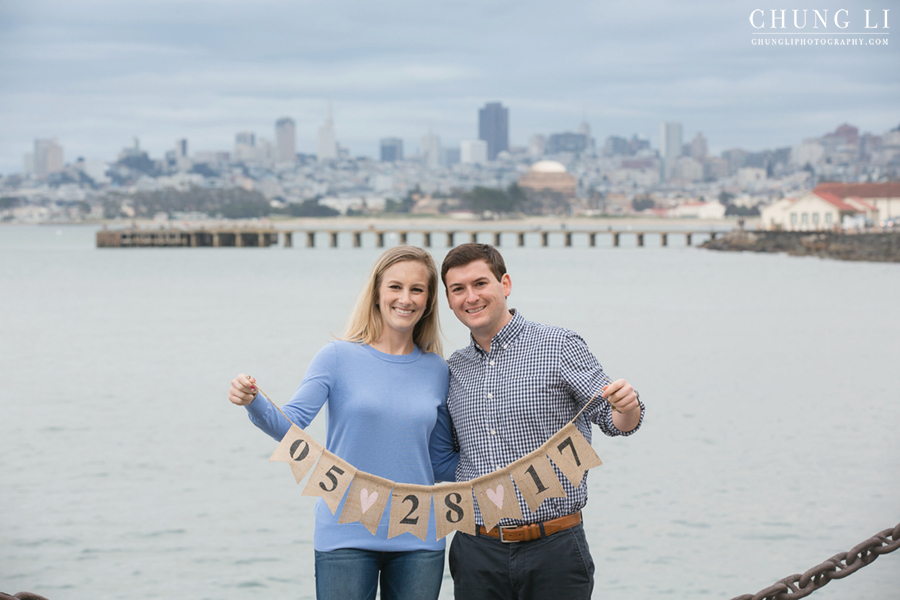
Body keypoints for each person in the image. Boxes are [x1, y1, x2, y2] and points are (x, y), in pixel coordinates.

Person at [228, 245, 458, 600]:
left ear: (428, 301)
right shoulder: (336, 356)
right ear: (377, 293)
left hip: (420, 536)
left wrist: (517, 461)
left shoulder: (438, 370)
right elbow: (293, 424)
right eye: (395, 287)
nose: (405, 298)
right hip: (344, 532)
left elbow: (440, 461)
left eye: (417, 289)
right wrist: (253, 400)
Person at [440, 243, 645, 600]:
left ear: (505, 284)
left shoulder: (559, 345)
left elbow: (615, 422)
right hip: (476, 551)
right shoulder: (452, 370)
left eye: (480, 284)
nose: (470, 297)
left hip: (555, 549)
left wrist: (628, 405)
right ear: (448, 299)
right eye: (458, 289)